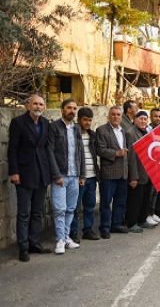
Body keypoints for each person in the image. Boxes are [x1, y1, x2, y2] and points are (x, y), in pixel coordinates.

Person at [8, 94, 53, 262]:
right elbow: (12, 149)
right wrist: (14, 172)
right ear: (28, 105)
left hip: (42, 173)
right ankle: (23, 247)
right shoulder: (18, 123)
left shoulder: (45, 123)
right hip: (24, 174)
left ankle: (34, 242)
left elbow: (46, 148)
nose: (38, 107)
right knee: (24, 213)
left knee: (37, 212)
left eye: (41, 104)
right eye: (35, 104)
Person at [48, 98, 85, 254]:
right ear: (62, 109)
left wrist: (82, 174)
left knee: (71, 208)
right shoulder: (54, 127)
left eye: (74, 108)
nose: (72, 111)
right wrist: (56, 175)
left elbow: (80, 151)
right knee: (59, 209)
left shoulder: (76, 128)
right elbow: (49, 152)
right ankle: (60, 240)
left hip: (74, 175)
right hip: (61, 176)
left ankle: (66, 236)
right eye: (69, 108)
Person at [96, 106, 130, 238]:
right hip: (109, 173)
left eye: (118, 115)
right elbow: (100, 150)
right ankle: (105, 227)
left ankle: (116, 224)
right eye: (113, 114)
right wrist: (116, 153)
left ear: (121, 117)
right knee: (106, 202)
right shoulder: (102, 130)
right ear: (108, 116)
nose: (116, 117)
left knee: (120, 201)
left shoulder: (123, 131)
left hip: (122, 173)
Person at [126, 111, 160, 233]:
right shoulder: (130, 133)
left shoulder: (147, 132)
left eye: (145, 119)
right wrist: (133, 177)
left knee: (145, 199)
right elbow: (131, 157)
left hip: (148, 172)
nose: (143, 121)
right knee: (135, 200)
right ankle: (132, 223)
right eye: (141, 119)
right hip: (137, 173)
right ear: (135, 120)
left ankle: (142, 220)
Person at [70, 107, 101, 242]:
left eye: (90, 120)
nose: (87, 123)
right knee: (75, 207)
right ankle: (73, 232)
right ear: (79, 120)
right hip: (78, 177)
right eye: (85, 120)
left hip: (92, 176)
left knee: (90, 205)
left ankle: (88, 230)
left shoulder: (93, 135)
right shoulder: (72, 133)